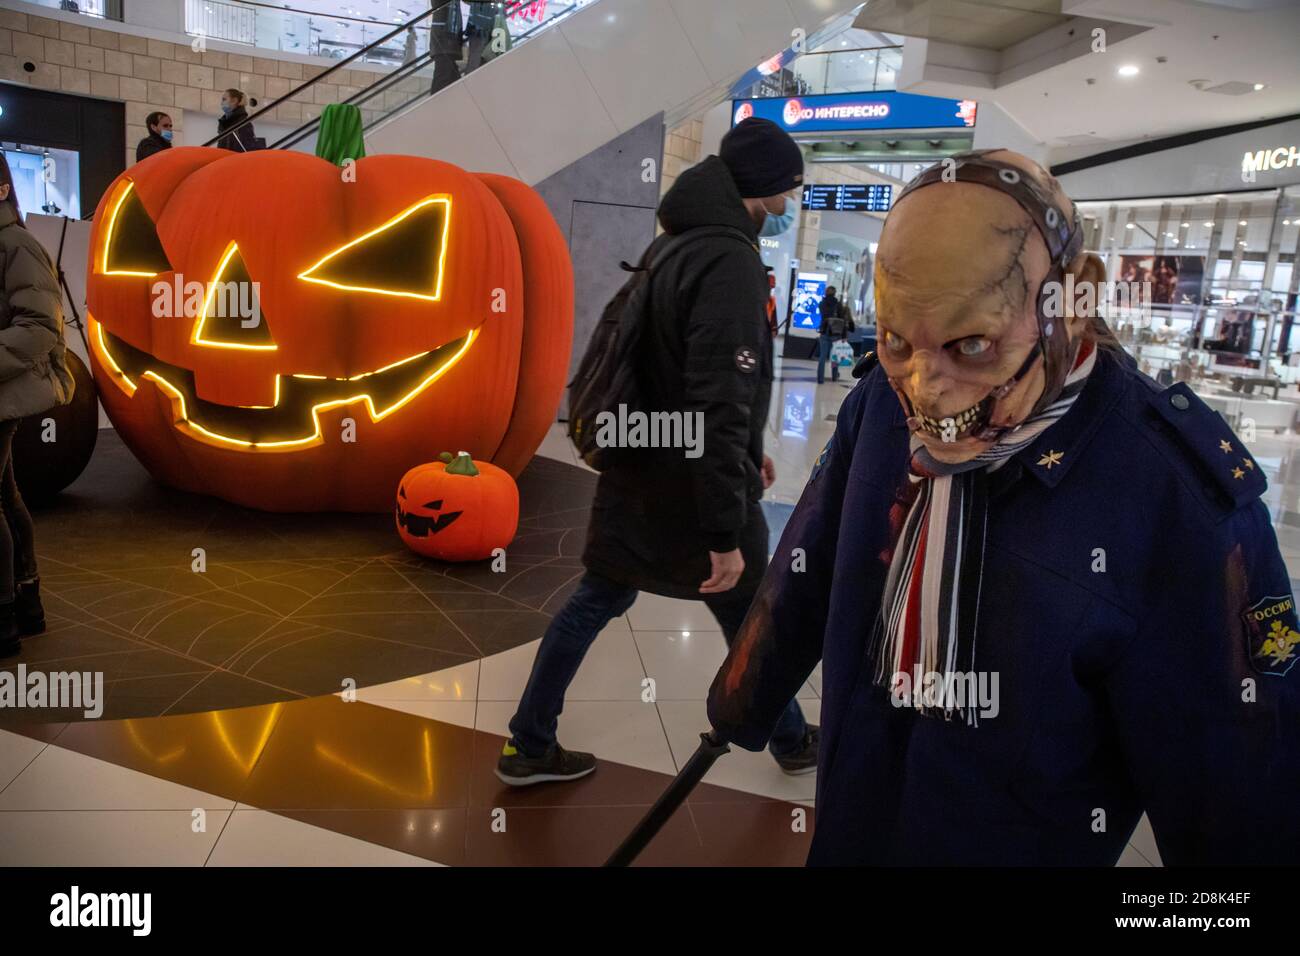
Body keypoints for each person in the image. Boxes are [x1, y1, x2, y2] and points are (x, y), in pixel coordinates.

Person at [706, 149, 1300, 865]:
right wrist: (742, 697)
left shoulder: (1178, 497)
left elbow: (1242, 811)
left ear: (1074, 297)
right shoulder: (878, 407)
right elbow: (811, 558)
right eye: (896, 340)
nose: (925, 388)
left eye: (973, 344)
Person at [499, 117, 817, 785]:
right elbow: (718, 399)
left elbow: (687, 378)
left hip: (644, 465)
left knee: (601, 597)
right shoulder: (730, 261)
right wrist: (725, 528)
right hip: (689, 486)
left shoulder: (674, 246)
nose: (789, 206)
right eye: (787, 192)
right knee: (747, 606)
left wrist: (748, 449)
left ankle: (529, 743)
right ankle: (790, 739)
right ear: (761, 188)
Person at [0, 154, 72, 658]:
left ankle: (3, 620)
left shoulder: (16, 244)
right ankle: (27, 605)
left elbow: (40, 328)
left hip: (3, 393)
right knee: (5, 497)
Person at [816, 284, 847, 383]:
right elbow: (843, 320)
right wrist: (844, 335)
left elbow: (823, 316)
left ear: (826, 292)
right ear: (835, 293)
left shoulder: (821, 304)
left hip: (824, 332)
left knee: (822, 357)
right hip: (836, 333)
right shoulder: (838, 305)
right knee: (835, 357)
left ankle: (820, 379)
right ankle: (834, 376)